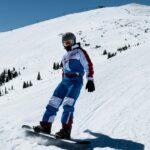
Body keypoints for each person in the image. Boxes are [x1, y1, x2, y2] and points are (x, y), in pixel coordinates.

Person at [34, 32, 95, 139]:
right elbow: (64, 70)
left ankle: (66, 130)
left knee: (68, 104)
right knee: (53, 102)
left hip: (76, 80)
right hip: (65, 81)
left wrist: (90, 79)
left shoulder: (80, 52)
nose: (67, 45)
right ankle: (46, 125)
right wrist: (63, 82)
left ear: (74, 41)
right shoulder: (65, 56)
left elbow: (88, 64)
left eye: (69, 42)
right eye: (65, 43)